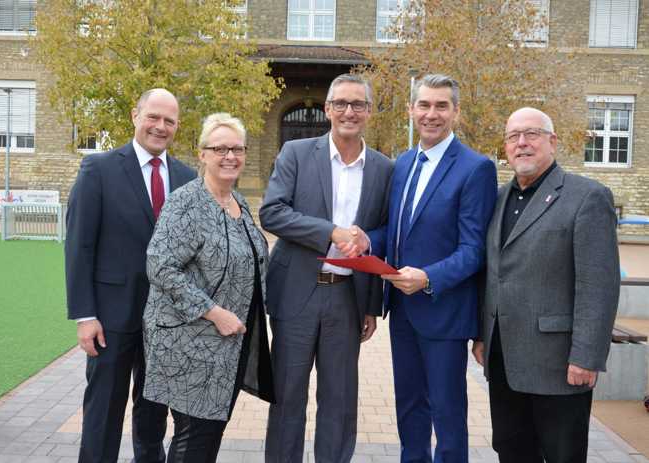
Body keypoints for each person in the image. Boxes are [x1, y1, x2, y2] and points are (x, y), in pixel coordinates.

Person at [357, 74, 498, 462]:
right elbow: (398, 231)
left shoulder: (476, 168)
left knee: (448, 414)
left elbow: (474, 250)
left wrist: (429, 278)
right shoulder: (402, 164)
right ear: (411, 110)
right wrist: (367, 240)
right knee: (409, 410)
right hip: (403, 313)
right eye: (424, 105)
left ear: (455, 112)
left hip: (445, 312)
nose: (431, 114)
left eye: (441, 106)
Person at [472, 107, 620, 463]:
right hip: (504, 361)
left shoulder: (586, 197)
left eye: (532, 134)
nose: (521, 143)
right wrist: (482, 334)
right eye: (513, 136)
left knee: (561, 455)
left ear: (553, 142)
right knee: (511, 451)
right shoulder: (497, 198)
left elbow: (597, 285)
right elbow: (493, 272)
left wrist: (587, 357)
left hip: (559, 366)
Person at [260, 73, 393, 463]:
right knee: (287, 400)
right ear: (327, 109)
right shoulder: (296, 153)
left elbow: (385, 229)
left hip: (346, 300)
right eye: (340, 104)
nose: (348, 111)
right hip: (296, 297)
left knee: (339, 402)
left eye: (357, 104)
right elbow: (273, 212)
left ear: (368, 111)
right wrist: (330, 232)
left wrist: (370, 303)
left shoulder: (385, 169)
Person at [65, 88, 197, 463]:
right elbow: (79, 246)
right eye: (153, 117)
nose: (160, 126)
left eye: (169, 121)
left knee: (153, 415)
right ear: (134, 116)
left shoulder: (187, 178)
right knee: (104, 411)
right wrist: (85, 316)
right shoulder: (99, 169)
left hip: (167, 322)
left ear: (177, 126)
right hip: (111, 317)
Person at [142, 113, 274, 463]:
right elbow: (161, 266)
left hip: (227, 347)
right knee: (194, 437)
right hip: (189, 343)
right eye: (220, 148)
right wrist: (214, 313)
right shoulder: (186, 202)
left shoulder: (238, 203)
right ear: (202, 154)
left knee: (207, 433)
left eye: (237, 148)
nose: (230, 156)